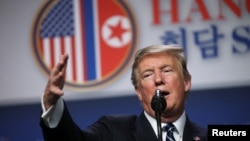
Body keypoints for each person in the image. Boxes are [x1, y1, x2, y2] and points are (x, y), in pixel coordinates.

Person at [40, 44, 207, 141]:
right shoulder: (113, 131)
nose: (158, 79)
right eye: (147, 74)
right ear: (139, 92)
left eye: (167, 70)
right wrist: (52, 104)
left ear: (186, 82)